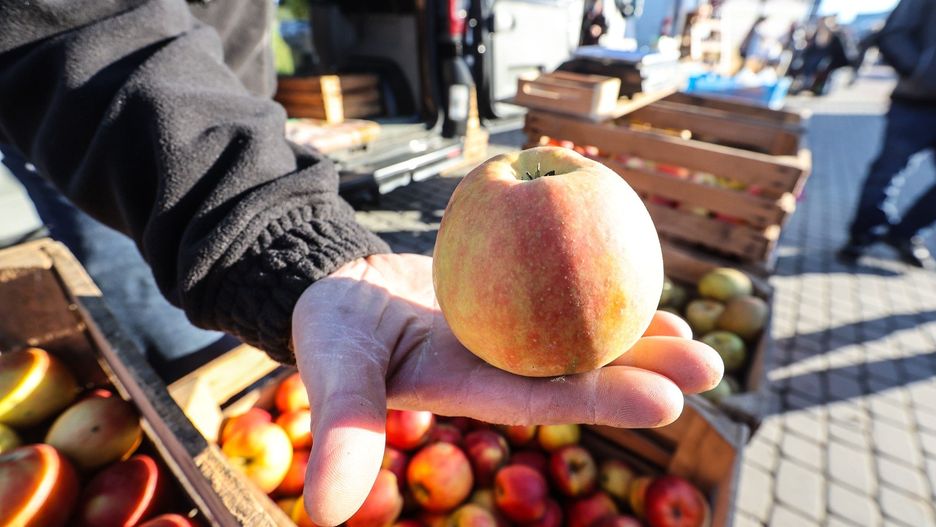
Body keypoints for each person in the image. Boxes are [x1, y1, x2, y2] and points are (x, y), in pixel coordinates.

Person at [0, 1, 722, 525]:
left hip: (221, 113)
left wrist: (266, 223)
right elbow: (74, 24)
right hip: (111, 157)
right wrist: (257, 222)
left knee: (239, 336)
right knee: (172, 330)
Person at [837, 0, 936, 269]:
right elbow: (894, 33)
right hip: (915, 103)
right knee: (886, 172)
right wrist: (919, 72)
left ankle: (904, 233)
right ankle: (863, 234)